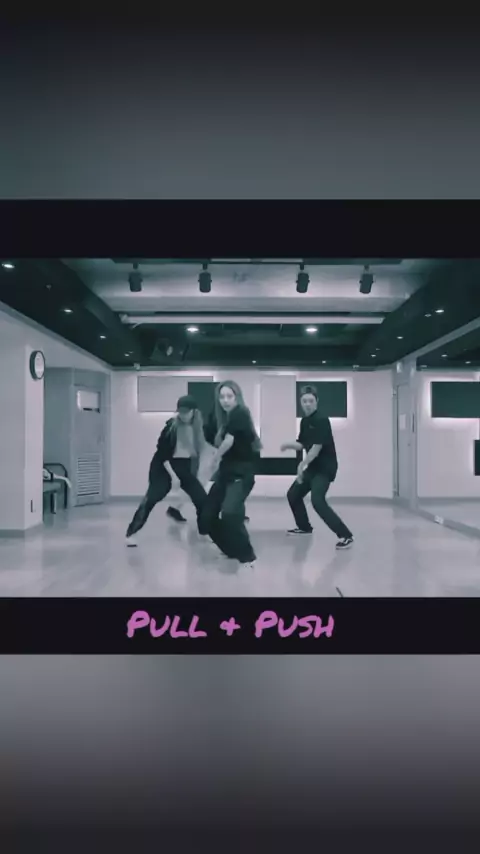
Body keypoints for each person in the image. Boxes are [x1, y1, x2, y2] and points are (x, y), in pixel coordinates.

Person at [125, 395, 207, 546]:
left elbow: (197, 452)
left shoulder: (198, 429)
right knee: (152, 498)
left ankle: (204, 531)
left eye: (186, 412)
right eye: (180, 412)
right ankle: (132, 532)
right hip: (163, 467)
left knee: (201, 498)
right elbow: (162, 454)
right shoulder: (171, 427)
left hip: (183, 466)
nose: (183, 415)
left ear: (194, 412)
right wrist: (174, 477)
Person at [281, 385, 353, 550]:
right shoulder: (305, 421)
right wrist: (287, 445)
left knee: (317, 501)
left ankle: (346, 535)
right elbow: (302, 443)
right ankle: (304, 527)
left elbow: (316, 447)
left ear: (316, 401)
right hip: (313, 467)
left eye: (310, 401)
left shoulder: (321, 420)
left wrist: (302, 465)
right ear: (301, 402)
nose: (307, 404)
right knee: (293, 494)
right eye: (304, 401)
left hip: (325, 468)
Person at [199, 380, 260, 568]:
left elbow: (228, 442)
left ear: (237, 397)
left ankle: (247, 556)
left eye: (229, 396)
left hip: (242, 473)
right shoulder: (224, 419)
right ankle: (230, 549)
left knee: (230, 513)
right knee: (206, 517)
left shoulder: (241, 412)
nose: (225, 400)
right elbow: (213, 437)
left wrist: (214, 459)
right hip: (226, 474)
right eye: (222, 397)